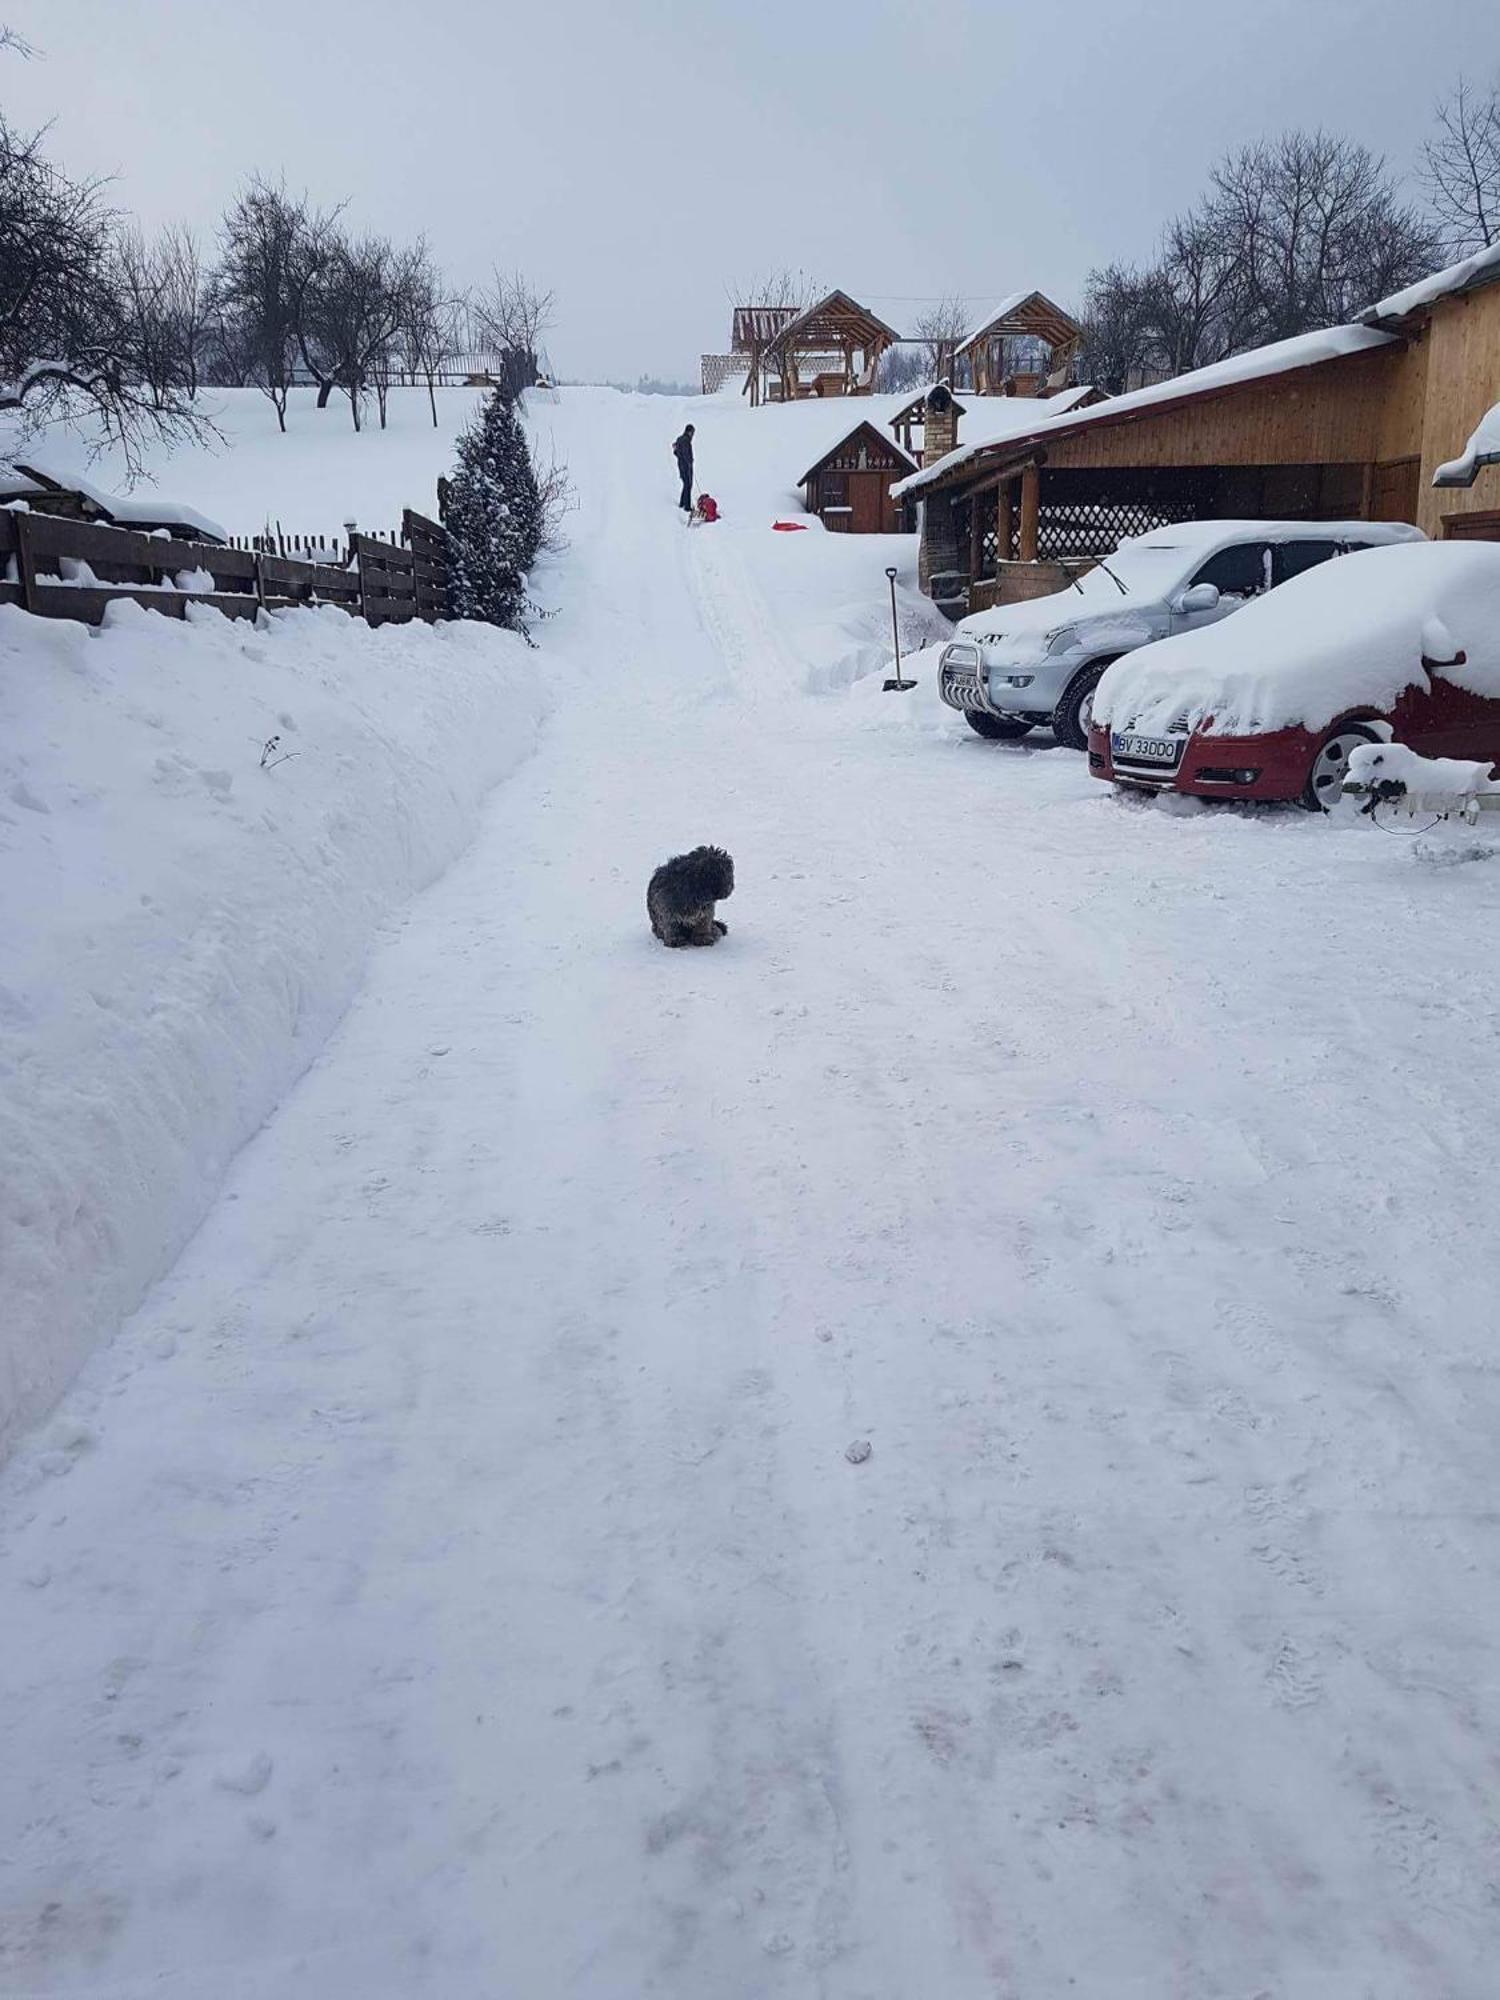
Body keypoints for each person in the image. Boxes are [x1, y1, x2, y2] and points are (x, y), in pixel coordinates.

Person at [673, 424, 695, 515]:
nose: (693, 435)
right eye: (693, 433)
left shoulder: (679, 439)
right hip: (686, 466)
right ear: (689, 432)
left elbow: (675, 452)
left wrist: (681, 458)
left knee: (686, 484)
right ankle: (687, 506)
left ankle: (682, 503)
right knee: (688, 484)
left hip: (681, 465)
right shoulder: (686, 440)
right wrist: (689, 462)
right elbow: (686, 453)